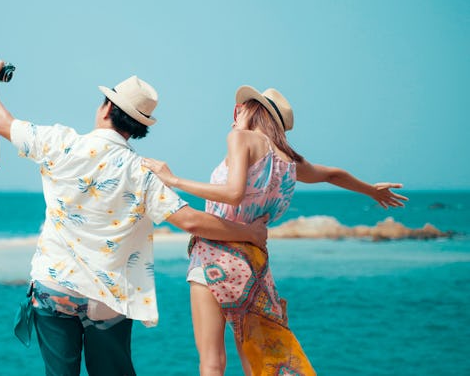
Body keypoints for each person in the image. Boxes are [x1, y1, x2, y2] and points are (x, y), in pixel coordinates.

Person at [0, 61, 269, 376]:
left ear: (105, 109)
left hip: (54, 284)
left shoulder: (59, 142)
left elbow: (3, 124)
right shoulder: (141, 171)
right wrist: (249, 233)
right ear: (138, 128)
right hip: (109, 297)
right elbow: (192, 221)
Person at [141, 85, 407, 376]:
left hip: (213, 255)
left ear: (251, 111)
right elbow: (332, 174)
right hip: (253, 264)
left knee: (212, 362)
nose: (235, 114)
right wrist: (371, 190)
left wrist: (173, 179)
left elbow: (233, 193)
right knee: (259, 362)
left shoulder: (240, 138)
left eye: (240, 108)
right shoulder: (289, 161)